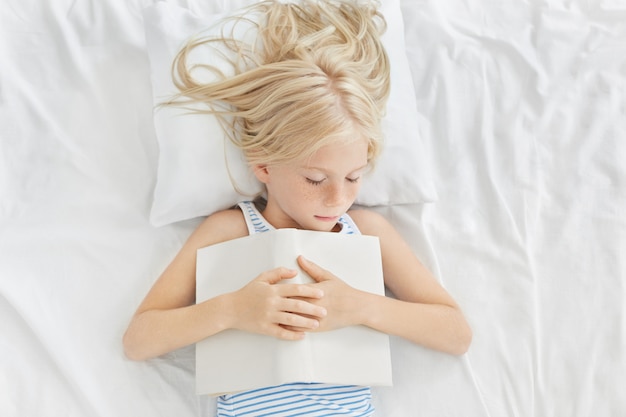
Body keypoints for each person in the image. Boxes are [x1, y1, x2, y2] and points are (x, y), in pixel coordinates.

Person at [124, 0, 472, 415]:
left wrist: (365, 306)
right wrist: (232, 310)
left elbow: (456, 334)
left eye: (354, 176)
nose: (338, 199)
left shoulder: (366, 231)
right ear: (264, 164)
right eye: (314, 179)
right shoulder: (229, 231)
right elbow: (140, 340)